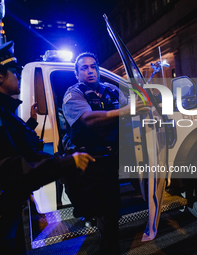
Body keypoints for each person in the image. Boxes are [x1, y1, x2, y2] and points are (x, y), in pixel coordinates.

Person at [0, 41, 95, 255]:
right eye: (14, 71)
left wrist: (58, 155)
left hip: (5, 214)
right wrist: (63, 163)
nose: (19, 76)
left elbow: (18, 145)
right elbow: (6, 167)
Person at [62, 52, 149, 254]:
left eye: (93, 66)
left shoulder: (111, 90)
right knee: (90, 208)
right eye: (84, 68)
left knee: (109, 209)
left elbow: (134, 107)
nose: (90, 71)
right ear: (77, 74)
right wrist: (126, 111)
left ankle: (110, 248)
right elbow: (89, 119)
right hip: (87, 162)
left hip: (109, 159)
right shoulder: (73, 94)